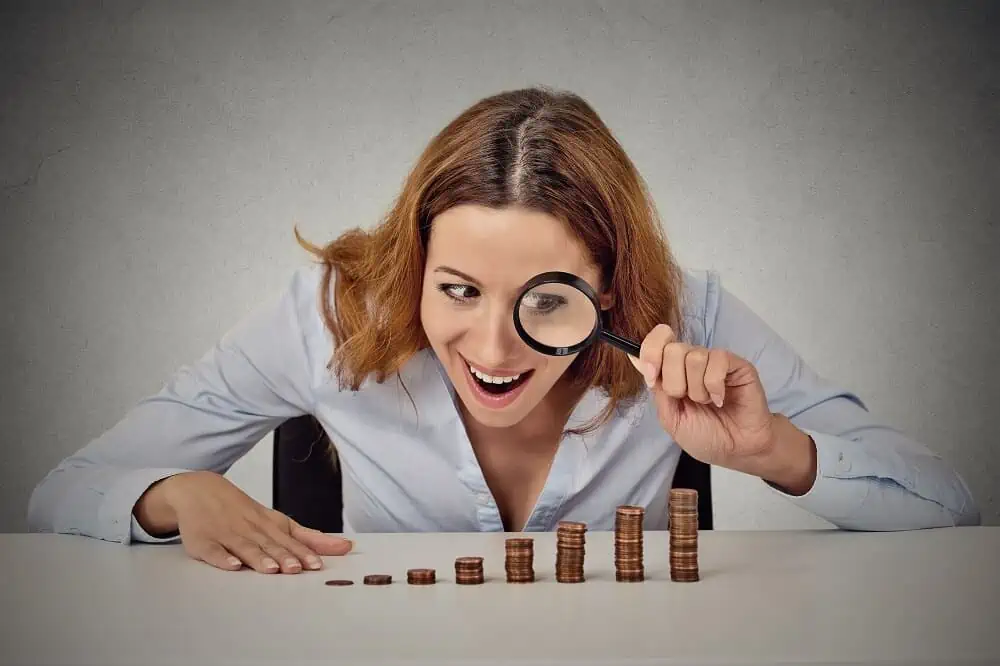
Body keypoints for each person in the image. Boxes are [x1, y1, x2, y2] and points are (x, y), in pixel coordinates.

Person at [27, 87, 980, 575]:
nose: (490, 349)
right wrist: (172, 494)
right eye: (456, 290)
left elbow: (949, 507)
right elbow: (61, 492)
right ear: (414, 266)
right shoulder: (330, 314)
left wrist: (775, 448)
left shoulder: (690, 313)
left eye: (548, 300)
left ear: (613, 288)